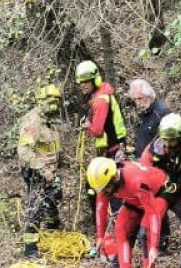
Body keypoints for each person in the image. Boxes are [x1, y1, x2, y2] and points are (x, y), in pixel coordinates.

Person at [141, 113, 181, 268]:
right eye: (165, 139)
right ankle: (148, 263)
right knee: (146, 228)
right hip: (159, 192)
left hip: (179, 190)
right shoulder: (152, 150)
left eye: (172, 140)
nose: (168, 143)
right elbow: (143, 173)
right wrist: (147, 202)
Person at [87, 157, 169, 268]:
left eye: (106, 189)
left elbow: (152, 214)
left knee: (145, 232)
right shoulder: (104, 184)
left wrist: (154, 247)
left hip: (157, 194)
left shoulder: (135, 181)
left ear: (114, 178)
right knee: (120, 228)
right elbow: (101, 207)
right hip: (134, 198)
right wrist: (100, 236)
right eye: (101, 190)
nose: (104, 193)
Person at [77, 60, 128, 237]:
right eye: (80, 82)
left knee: (109, 190)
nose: (82, 86)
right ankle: (111, 231)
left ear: (94, 80)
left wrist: (87, 125)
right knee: (99, 189)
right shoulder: (101, 95)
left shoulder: (100, 100)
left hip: (112, 152)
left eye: (86, 81)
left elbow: (98, 131)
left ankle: (119, 233)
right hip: (110, 150)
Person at [16, 83, 63, 258]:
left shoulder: (49, 121)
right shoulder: (33, 122)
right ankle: (30, 249)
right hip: (37, 172)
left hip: (50, 170)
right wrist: (43, 170)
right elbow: (24, 151)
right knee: (35, 208)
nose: (54, 106)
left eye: (57, 102)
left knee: (54, 197)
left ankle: (53, 230)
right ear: (41, 102)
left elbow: (52, 146)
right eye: (51, 102)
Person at [128, 78, 170, 160]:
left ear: (149, 96)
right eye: (135, 99)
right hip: (141, 161)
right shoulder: (145, 111)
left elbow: (166, 144)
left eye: (140, 98)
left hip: (153, 163)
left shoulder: (162, 112)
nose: (137, 103)